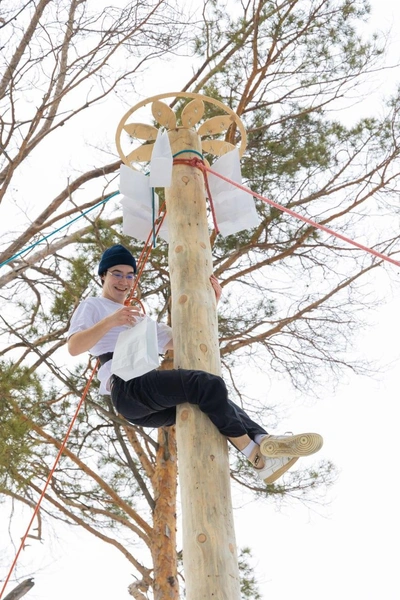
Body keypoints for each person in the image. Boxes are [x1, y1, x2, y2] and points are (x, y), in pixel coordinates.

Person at [67, 244, 323, 485]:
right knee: (206, 384)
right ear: (103, 275)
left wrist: (210, 304)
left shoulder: (139, 319)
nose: (123, 282)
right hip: (127, 387)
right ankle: (253, 455)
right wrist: (111, 321)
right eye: (117, 274)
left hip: (146, 399)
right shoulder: (94, 306)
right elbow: (74, 346)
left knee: (214, 402)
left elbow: (183, 340)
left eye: (129, 276)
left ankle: (263, 440)